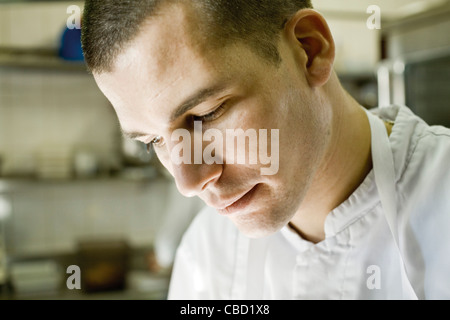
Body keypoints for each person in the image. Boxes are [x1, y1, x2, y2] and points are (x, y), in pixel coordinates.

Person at [81, 0, 450, 299]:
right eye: (154, 141)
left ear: (309, 49)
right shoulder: (206, 254)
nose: (188, 181)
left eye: (208, 113)